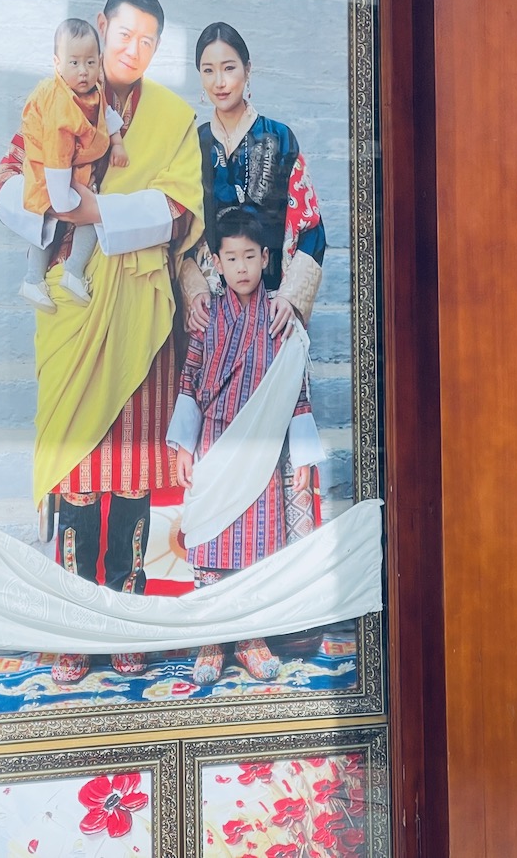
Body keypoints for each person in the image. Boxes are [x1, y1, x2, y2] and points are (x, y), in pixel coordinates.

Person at [0, 0, 204, 684]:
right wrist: (55, 214)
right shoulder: (52, 96)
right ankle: (75, 629)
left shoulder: (173, 116)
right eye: (124, 34)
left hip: (143, 311)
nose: (132, 50)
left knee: (135, 473)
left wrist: (94, 210)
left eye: (148, 40)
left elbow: (181, 209)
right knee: (77, 472)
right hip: (74, 313)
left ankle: (128, 617)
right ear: (103, 26)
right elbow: (5, 182)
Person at [167, 206, 323, 685]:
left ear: (266, 258)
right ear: (215, 261)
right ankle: (213, 639)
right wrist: (184, 447)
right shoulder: (206, 317)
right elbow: (190, 381)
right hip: (215, 443)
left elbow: (295, 389)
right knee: (210, 538)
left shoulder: (279, 316)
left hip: (259, 450)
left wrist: (302, 458)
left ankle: (252, 638)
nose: (240, 267)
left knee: (257, 544)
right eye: (230, 258)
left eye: (249, 257)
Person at [184, 22, 326, 344]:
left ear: (248, 70)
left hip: (275, 311)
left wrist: (289, 299)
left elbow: (312, 228)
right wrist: (193, 292)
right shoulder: (194, 145)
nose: (219, 82)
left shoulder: (280, 137)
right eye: (208, 71)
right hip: (214, 313)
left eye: (229, 68)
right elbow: (180, 235)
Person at [17, 18, 129, 311]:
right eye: (75, 62)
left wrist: (117, 143)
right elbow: (55, 155)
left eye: (90, 62)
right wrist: (63, 199)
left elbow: (106, 115)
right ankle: (32, 279)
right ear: (57, 64)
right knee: (48, 226)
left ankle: (73, 272)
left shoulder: (93, 90)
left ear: (100, 61)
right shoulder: (60, 106)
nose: (83, 71)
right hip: (50, 174)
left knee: (95, 216)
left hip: (74, 170)